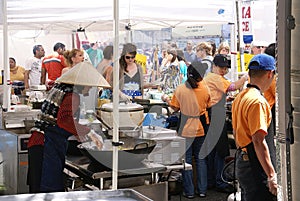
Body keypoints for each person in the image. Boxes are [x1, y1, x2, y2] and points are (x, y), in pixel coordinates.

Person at [27, 62, 110, 193]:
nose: (90, 89)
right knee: (48, 192)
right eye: (90, 85)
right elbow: (64, 120)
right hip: (46, 145)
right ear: (83, 83)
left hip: (39, 143)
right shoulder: (73, 95)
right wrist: (90, 133)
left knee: (39, 189)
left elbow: (62, 119)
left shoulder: (60, 88)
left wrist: (80, 136)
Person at [231, 54, 278, 200]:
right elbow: (258, 141)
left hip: (242, 159)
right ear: (270, 74)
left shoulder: (241, 96)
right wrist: (271, 175)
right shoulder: (257, 101)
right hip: (253, 164)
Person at [162, 61, 211, 198]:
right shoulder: (205, 88)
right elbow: (209, 104)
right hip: (200, 127)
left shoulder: (180, 89)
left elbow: (175, 107)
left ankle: (189, 192)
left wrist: (166, 99)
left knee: (187, 160)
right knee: (201, 160)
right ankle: (202, 190)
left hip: (185, 128)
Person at [203, 54, 248, 193]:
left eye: (225, 68)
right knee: (221, 150)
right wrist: (245, 77)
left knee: (212, 150)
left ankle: (211, 180)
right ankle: (220, 181)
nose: (223, 70)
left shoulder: (211, 77)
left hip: (210, 114)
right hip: (215, 114)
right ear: (214, 66)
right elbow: (233, 86)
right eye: (221, 68)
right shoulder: (215, 78)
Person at [262, 43, 276, 169]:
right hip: (267, 111)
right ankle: (273, 171)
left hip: (263, 111)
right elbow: (278, 95)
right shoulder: (271, 76)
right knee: (269, 145)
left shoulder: (260, 73)